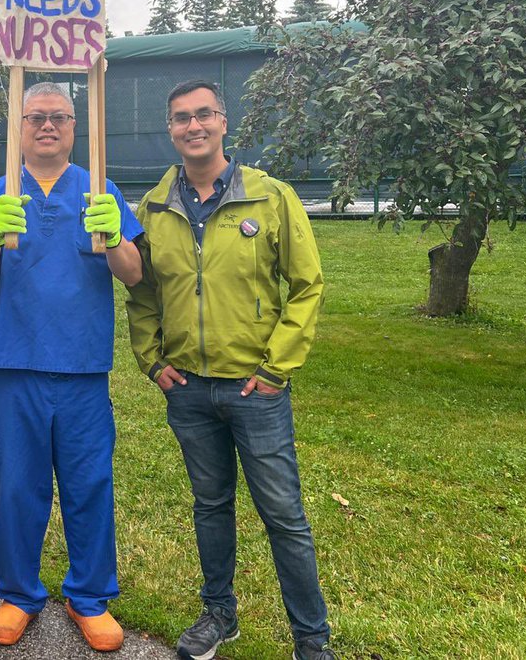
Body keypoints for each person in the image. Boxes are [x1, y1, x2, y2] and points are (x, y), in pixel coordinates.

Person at [125, 80, 335, 660]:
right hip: (188, 389)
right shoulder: (155, 207)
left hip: (255, 389)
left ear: (223, 122)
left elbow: (307, 285)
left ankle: (311, 640)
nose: (193, 127)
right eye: (180, 118)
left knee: (284, 516)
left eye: (203, 115)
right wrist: (152, 360)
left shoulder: (270, 198)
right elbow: (142, 292)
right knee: (211, 506)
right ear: (169, 130)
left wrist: (276, 369)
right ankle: (220, 614)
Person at [0, 82, 143, 653]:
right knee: (16, 486)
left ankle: (89, 598)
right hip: (14, 367)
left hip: (84, 368)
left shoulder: (100, 188)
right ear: (18, 126)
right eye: (35, 117)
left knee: (90, 485)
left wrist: (114, 234)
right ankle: (17, 594)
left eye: (59, 117)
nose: (47, 126)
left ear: (74, 126)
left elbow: (134, 273)